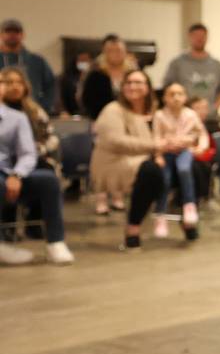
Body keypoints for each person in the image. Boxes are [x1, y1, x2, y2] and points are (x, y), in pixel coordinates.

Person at [91, 69, 176, 251]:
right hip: (113, 162)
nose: (132, 86)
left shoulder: (153, 113)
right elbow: (115, 141)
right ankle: (133, 228)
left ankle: (185, 218)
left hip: (139, 160)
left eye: (138, 82)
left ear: (148, 88)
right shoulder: (112, 109)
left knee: (185, 166)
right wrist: (155, 146)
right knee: (152, 172)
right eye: (128, 82)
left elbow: (159, 142)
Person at [0, 70, 73, 264]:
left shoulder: (20, 116)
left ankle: (55, 241)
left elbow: (28, 151)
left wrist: (17, 174)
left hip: (14, 168)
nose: (11, 86)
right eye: (7, 82)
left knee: (48, 179)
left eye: (14, 82)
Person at [153, 82, 203, 241]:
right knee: (164, 180)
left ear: (185, 97)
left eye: (180, 94)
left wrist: (197, 146)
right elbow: (155, 137)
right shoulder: (160, 115)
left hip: (186, 153)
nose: (176, 98)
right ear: (164, 98)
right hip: (166, 153)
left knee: (185, 170)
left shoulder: (191, 115)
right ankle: (160, 215)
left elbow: (200, 134)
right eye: (171, 94)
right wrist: (158, 154)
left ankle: (190, 208)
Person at [162, 23, 220, 128]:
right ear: (190, 37)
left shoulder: (217, 65)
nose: (199, 39)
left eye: (202, 36)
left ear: (207, 38)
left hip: (210, 120)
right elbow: (168, 88)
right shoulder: (177, 63)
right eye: (196, 36)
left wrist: (214, 108)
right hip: (182, 120)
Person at [0, 18, 57, 114]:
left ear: (22, 35)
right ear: (1, 35)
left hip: (31, 113)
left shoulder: (37, 61)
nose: (12, 35)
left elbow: (51, 85)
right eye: (8, 31)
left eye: (16, 32)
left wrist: (43, 107)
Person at [81, 34, 133, 122]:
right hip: (101, 119)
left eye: (118, 50)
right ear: (104, 53)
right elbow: (88, 101)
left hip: (130, 118)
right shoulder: (96, 75)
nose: (115, 54)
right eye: (110, 51)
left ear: (125, 52)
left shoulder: (132, 73)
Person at [187, 97, 216, 203]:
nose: (202, 111)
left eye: (205, 108)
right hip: (188, 154)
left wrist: (201, 149)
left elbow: (206, 143)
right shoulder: (186, 122)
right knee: (197, 166)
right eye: (198, 108)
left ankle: (204, 197)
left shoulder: (208, 125)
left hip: (203, 155)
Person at [59, 50, 91, 118]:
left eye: (86, 60)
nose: (83, 63)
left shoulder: (95, 77)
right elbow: (62, 97)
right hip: (73, 113)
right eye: (81, 60)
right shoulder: (67, 78)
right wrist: (64, 111)